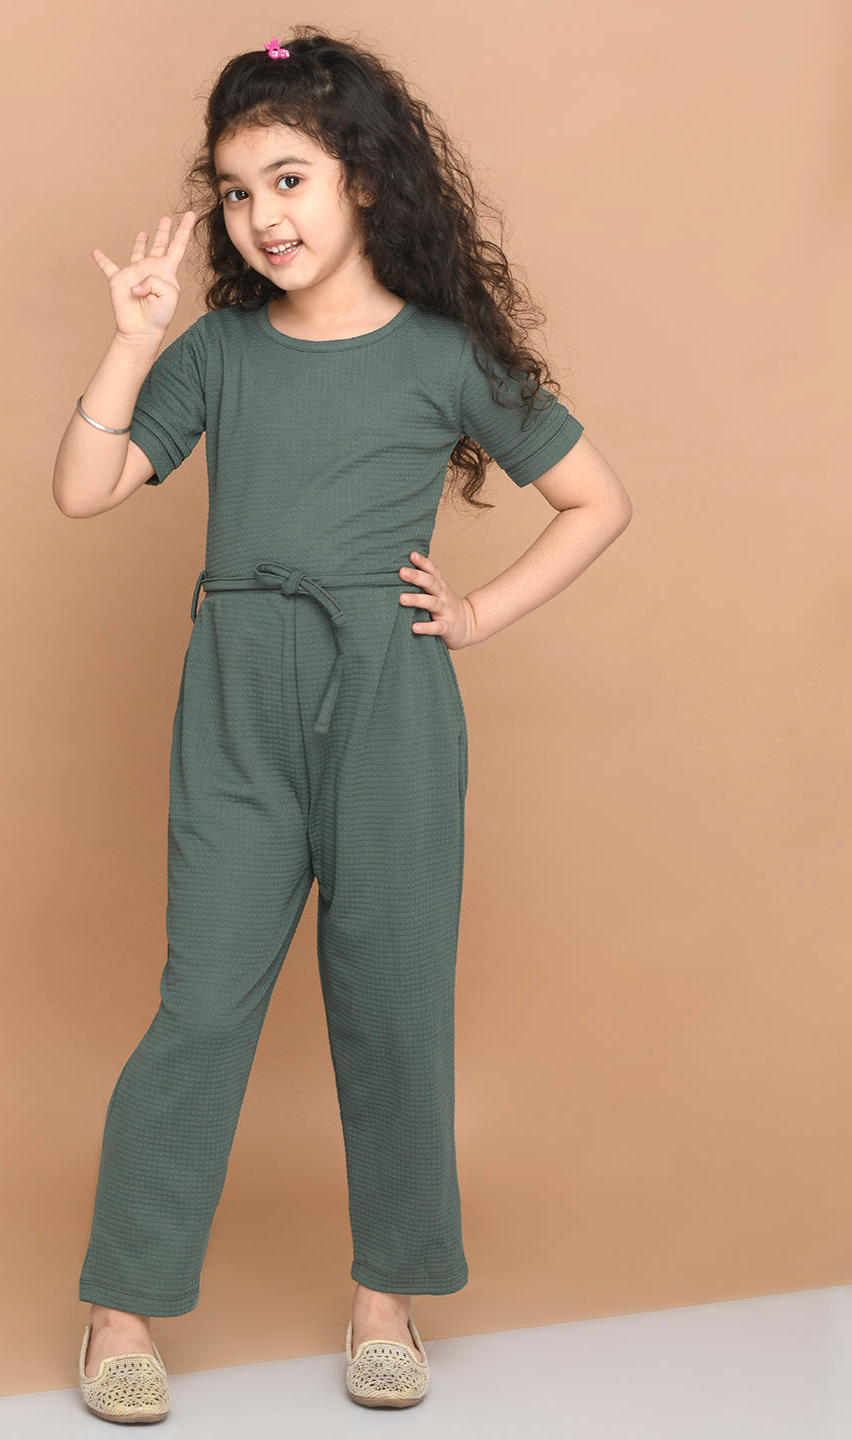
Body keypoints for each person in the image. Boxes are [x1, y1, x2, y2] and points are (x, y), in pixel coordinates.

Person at [53, 27, 632, 1423]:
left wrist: (476, 615)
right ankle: (121, 1307)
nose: (264, 216)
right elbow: (84, 489)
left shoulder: (444, 353)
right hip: (238, 693)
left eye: (291, 179)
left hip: (388, 696)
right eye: (237, 191)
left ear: (363, 179)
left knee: (393, 1001)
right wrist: (132, 343)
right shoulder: (218, 351)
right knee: (203, 1002)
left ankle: (390, 1298)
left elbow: (596, 501)